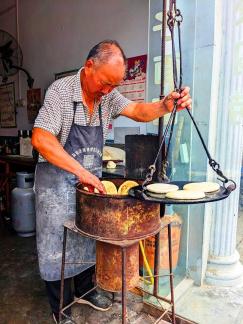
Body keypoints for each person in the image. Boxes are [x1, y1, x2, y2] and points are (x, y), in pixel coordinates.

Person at [32, 39, 192, 322]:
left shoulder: (107, 95)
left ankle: (85, 290)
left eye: (113, 86)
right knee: (57, 246)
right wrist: (81, 171)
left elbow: (139, 111)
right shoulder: (61, 92)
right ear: (89, 66)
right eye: (105, 83)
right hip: (56, 185)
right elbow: (41, 138)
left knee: (86, 237)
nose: (108, 91)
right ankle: (61, 308)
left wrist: (166, 105)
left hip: (87, 186)